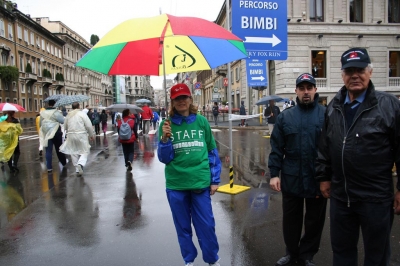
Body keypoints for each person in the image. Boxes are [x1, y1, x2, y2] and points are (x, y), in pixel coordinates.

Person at [316, 47, 400, 266]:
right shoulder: (333, 106)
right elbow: (325, 146)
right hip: (341, 198)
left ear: (370, 72)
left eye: (360, 70)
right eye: (349, 70)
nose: (355, 75)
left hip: (376, 198)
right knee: (342, 253)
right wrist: (324, 177)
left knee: (377, 256)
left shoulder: (389, 105)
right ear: (342, 74)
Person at [157, 83, 221, 266]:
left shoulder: (201, 121)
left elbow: (211, 151)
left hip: (200, 182)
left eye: (184, 97)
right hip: (176, 184)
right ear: (172, 102)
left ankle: (211, 259)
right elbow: (164, 158)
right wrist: (165, 139)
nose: (181, 101)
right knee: (183, 227)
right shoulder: (166, 124)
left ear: (190, 99)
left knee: (206, 226)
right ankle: (189, 260)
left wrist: (215, 179)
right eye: (177, 98)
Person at [269, 73, 327, 266]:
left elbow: (331, 148)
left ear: (315, 90)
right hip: (292, 177)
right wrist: (274, 174)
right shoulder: (286, 117)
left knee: (314, 221)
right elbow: (277, 148)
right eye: (301, 88)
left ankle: (307, 255)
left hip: (317, 178)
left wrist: (331, 176)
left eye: (309, 88)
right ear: (296, 91)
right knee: (290, 220)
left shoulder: (325, 115)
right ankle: (291, 253)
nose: (306, 92)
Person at [60, 102, 94, 176]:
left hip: (71, 135)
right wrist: (91, 135)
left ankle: (77, 169)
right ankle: (81, 163)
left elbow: (65, 126)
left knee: (73, 151)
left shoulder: (69, 115)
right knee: (85, 150)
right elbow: (88, 125)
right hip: (81, 134)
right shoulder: (82, 114)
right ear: (79, 106)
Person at [39, 100, 67, 172]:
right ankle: (63, 162)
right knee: (59, 149)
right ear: (55, 104)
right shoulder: (56, 112)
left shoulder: (43, 113)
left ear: (48, 104)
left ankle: (49, 167)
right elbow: (62, 121)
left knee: (48, 150)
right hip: (56, 132)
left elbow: (40, 124)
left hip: (47, 133)